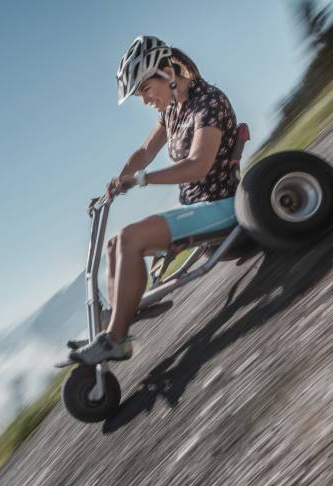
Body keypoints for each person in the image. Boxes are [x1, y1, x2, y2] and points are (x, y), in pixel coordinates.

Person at [69, 35, 239, 366]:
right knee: (115, 243)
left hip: (220, 207)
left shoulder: (209, 103)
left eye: (145, 89)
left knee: (131, 238)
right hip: (196, 209)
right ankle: (117, 321)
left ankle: (115, 339)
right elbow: (145, 152)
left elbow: (198, 166)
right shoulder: (173, 111)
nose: (144, 99)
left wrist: (142, 180)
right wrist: (116, 184)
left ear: (166, 71)